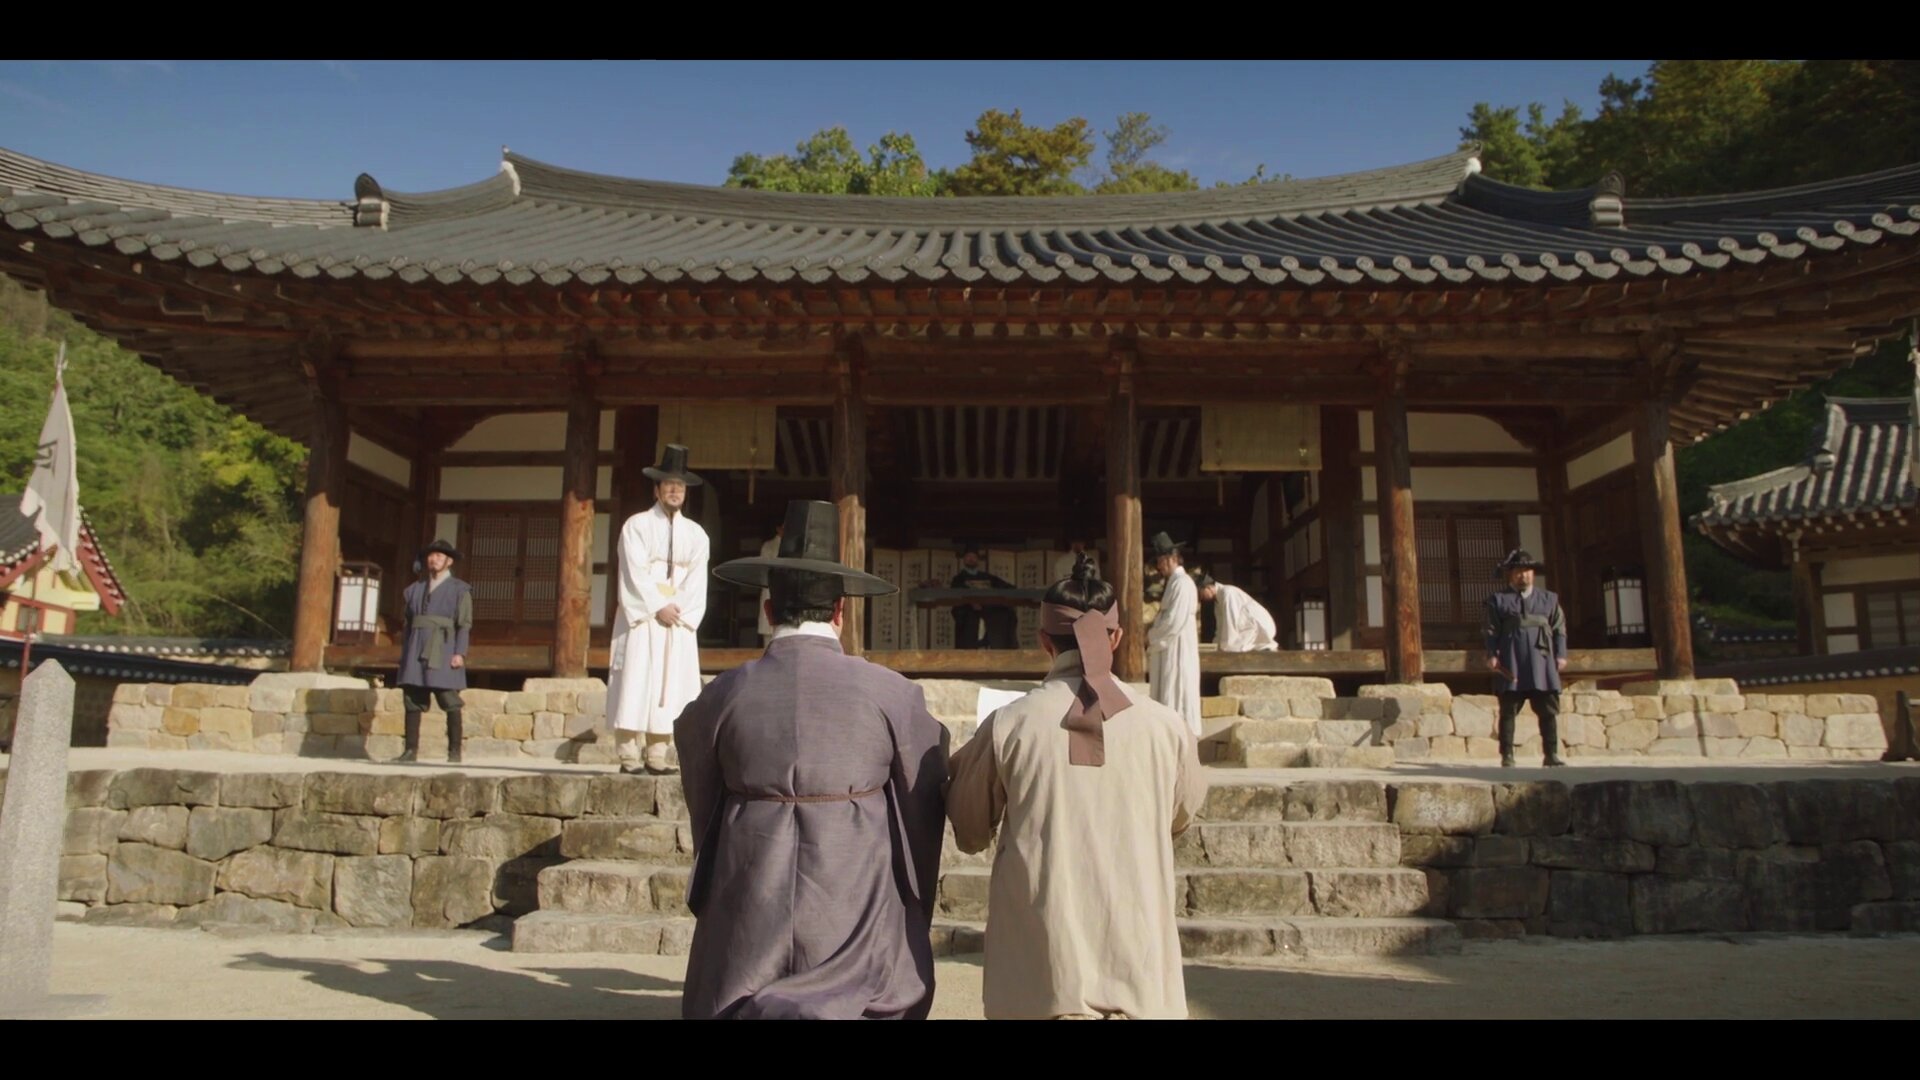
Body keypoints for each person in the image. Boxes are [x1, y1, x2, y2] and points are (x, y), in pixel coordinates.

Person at [676, 499, 949, 1019]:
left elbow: (702, 792)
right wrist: (909, 889)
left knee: (736, 988)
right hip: (853, 884)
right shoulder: (891, 693)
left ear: (769, 611)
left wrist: (739, 825)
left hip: (751, 875)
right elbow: (921, 798)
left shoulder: (723, 694)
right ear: (841, 612)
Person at [945, 554, 1207, 1019]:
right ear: (1117, 637)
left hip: (1042, 984)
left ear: (1044, 640)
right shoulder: (1167, 728)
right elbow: (1180, 817)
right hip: (1141, 977)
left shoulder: (1009, 724)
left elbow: (969, 830)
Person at [607, 444, 709, 776]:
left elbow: (697, 579)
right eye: (669, 484)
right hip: (643, 616)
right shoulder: (636, 526)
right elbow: (633, 572)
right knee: (636, 679)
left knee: (671, 682)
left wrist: (678, 610)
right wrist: (656, 606)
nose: (675, 490)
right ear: (657, 489)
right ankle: (628, 754)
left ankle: (657, 753)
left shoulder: (696, 535)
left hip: (676, 617)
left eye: (680, 486)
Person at [1482, 549, 1568, 768]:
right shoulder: (1498, 600)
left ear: (1533, 573)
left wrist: (1561, 654)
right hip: (1512, 661)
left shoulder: (1549, 599)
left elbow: (1559, 629)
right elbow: (1491, 630)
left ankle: (1551, 754)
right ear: (1511, 575)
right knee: (1508, 711)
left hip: (1542, 661)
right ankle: (1507, 755)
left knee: (1548, 711)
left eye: (1527, 571)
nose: (1523, 576)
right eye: (1518, 572)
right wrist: (1492, 654)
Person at [395, 538, 472, 764]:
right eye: (431, 555)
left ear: (449, 561)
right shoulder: (414, 590)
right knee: (412, 697)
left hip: (444, 646)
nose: (434, 559)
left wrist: (460, 652)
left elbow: (464, 624)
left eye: (439, 555)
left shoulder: (460, 590)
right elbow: (407, 623)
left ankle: (454, 751)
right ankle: (410, 750)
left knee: (449, 698)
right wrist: (405, 653)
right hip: (415, 647)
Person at [1145, 532, 1201, 736]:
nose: (1159, 566)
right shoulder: (1174, 582)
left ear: (1172, 559)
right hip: (1170, 645)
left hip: (1178, 646)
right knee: (1170, 690)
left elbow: (1173, 621)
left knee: (1178, 690)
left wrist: (1152, 635)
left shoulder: (1183, 583)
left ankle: (1181, 736)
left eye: (1161, 561)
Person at [950, 543, 1017, 650]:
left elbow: (1004, 586)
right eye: (968, 556)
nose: (971, 559)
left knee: (1005, 612)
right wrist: (972, 602)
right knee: (968, 619)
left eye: (974, 557)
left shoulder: (986, 577)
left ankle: (1002, 648)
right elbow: (957, 596)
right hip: (968, 613)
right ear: (964, 559)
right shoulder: (958, 579)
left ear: (978, 560)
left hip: (988, 612)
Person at [1195, 572, 1279, 653]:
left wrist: (1225, 646)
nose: (1201, 597)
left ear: (1208, 587)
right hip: (1249, 628)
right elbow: (1220, 627)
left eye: (1200, 593)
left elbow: (1231, 621)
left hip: (1259, 626)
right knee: (1226, 645)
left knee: (1230, 646)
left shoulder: (1228, 593)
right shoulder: (1218, 601)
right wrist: (1215, 646)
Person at [754, 520, 782, 645]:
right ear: (778, 528)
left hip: (784, 593)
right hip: (770, 589)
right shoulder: (769, 546)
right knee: (768, 638)